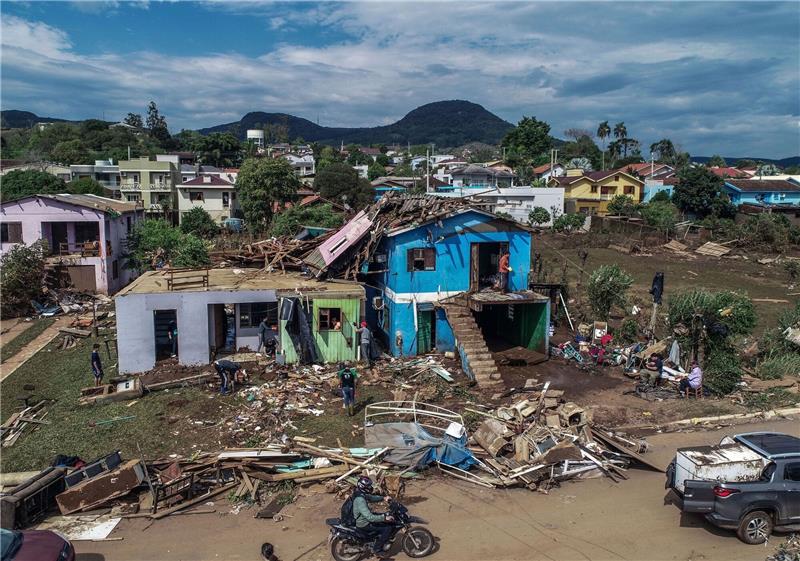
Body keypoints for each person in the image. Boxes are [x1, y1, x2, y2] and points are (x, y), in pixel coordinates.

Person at [352, 476, 393, 557]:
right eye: (369, 486)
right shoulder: (360, 500)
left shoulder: (360, 494)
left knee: (383, 517)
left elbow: (371, 498)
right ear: (363, 487)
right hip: (363, 523)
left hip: (363, 518)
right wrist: (384, 518)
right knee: (387, 528)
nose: (370, 488)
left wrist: (383, 498)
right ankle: (377, 549)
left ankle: (378, 540)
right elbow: (370, 517)